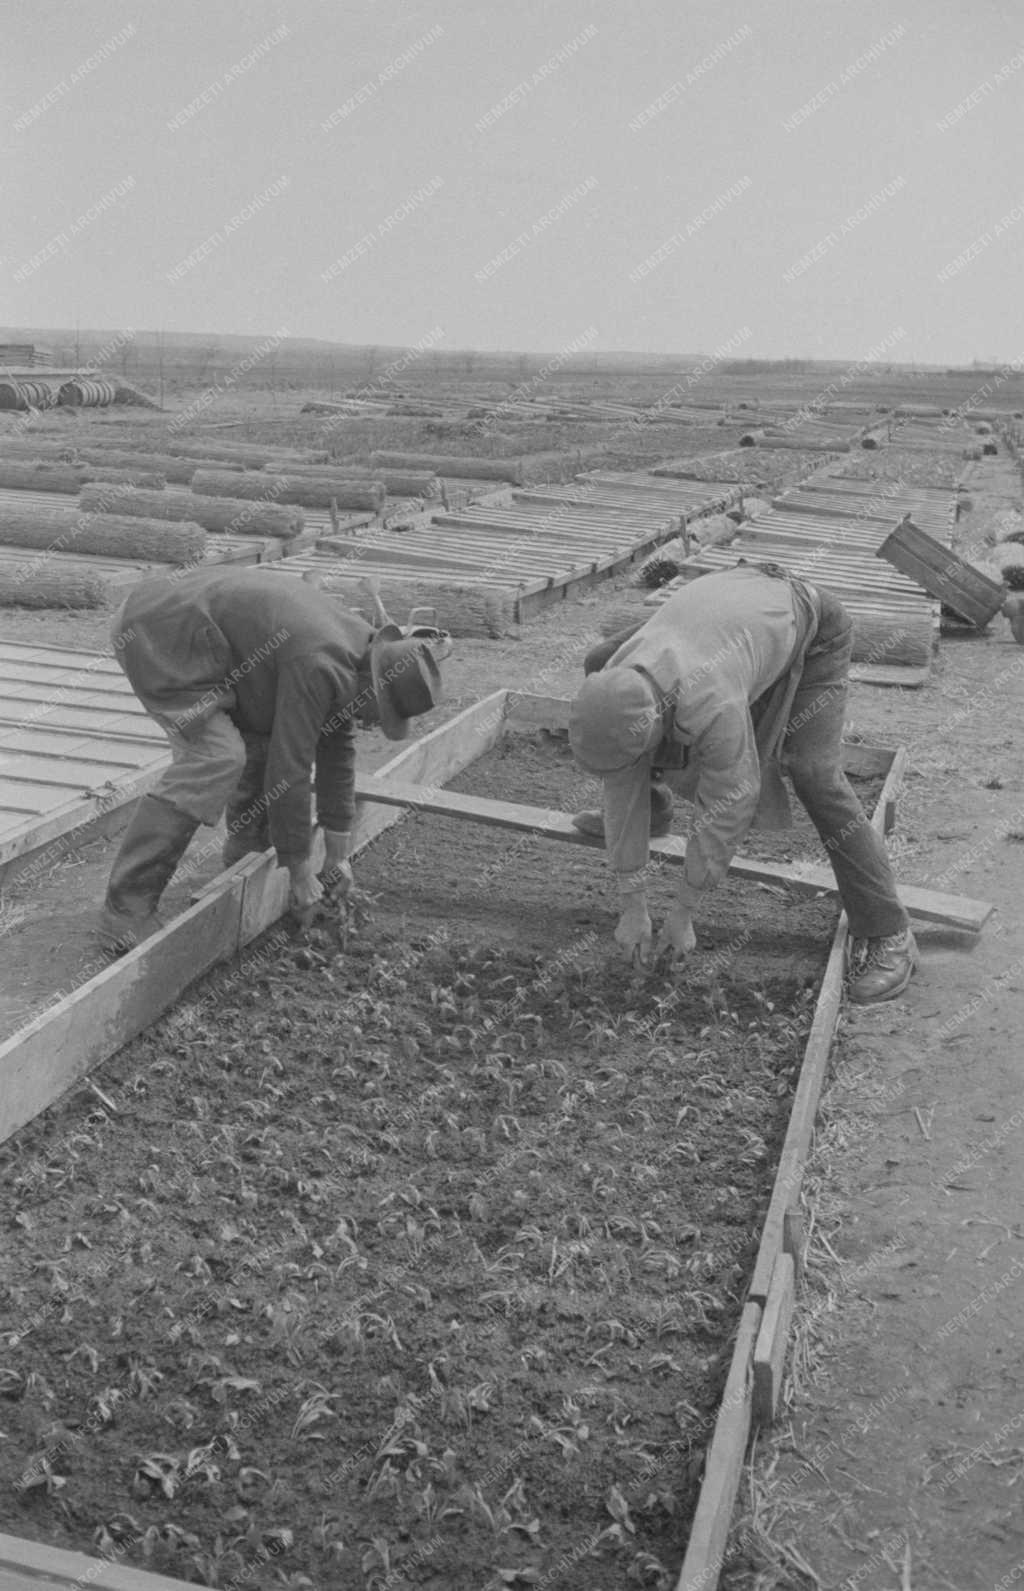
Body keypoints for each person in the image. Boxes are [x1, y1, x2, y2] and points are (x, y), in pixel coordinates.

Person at [568, 562, 916, 1004]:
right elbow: (621, 785)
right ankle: (656, 808)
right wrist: (632, 905)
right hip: (728, 602)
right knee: (596, 659)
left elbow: (728, 802)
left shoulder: (712, 704)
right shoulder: (616, 673)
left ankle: (889, 931)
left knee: (812, 771)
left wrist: (683, 912)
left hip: (809, 622)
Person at [98, 565, 443, 955]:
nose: (370, 722)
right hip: (161, 632)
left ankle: (245, 859)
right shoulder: (320, 662)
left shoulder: (357, 652)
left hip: (209, 642)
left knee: (263, 734)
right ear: (372, 684)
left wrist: (337, 855)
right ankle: (124, 911)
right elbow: (291, 770)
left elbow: (337, 752)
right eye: (378, 712)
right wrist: (299, 872)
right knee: (218, 758)